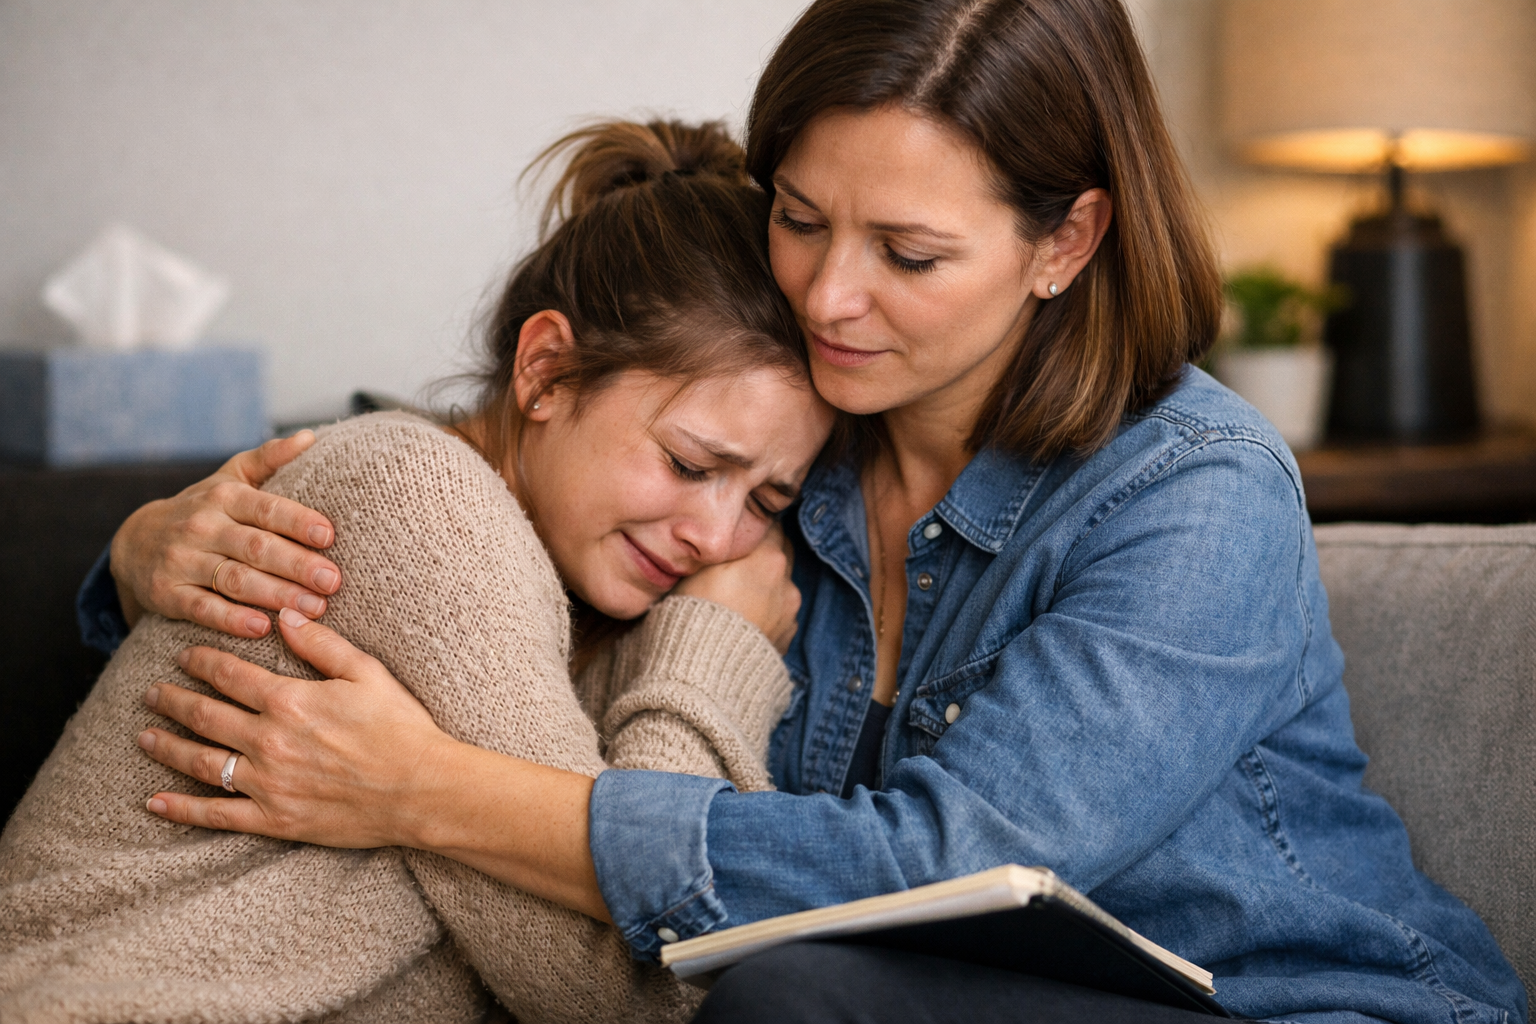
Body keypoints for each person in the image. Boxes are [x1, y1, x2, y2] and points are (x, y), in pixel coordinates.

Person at [74, 1, 1527, 1022]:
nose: (828, 298)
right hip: (907, 1004)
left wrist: (429, 792)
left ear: (1065, 241)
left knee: (777, 990)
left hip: (1278, 1005)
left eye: (906, 252)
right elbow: (506, 466)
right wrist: (144, 554)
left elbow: (951, 871)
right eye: (801, 216)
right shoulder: (787, 462)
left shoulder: (1190, 495)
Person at [1, 120, 833, 1023]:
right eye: (689, 463)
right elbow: (637, 996)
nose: (717, 537)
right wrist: (717, 648)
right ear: (546, 371)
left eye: (767, 501)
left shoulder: (587, 585)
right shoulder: (424, 505)